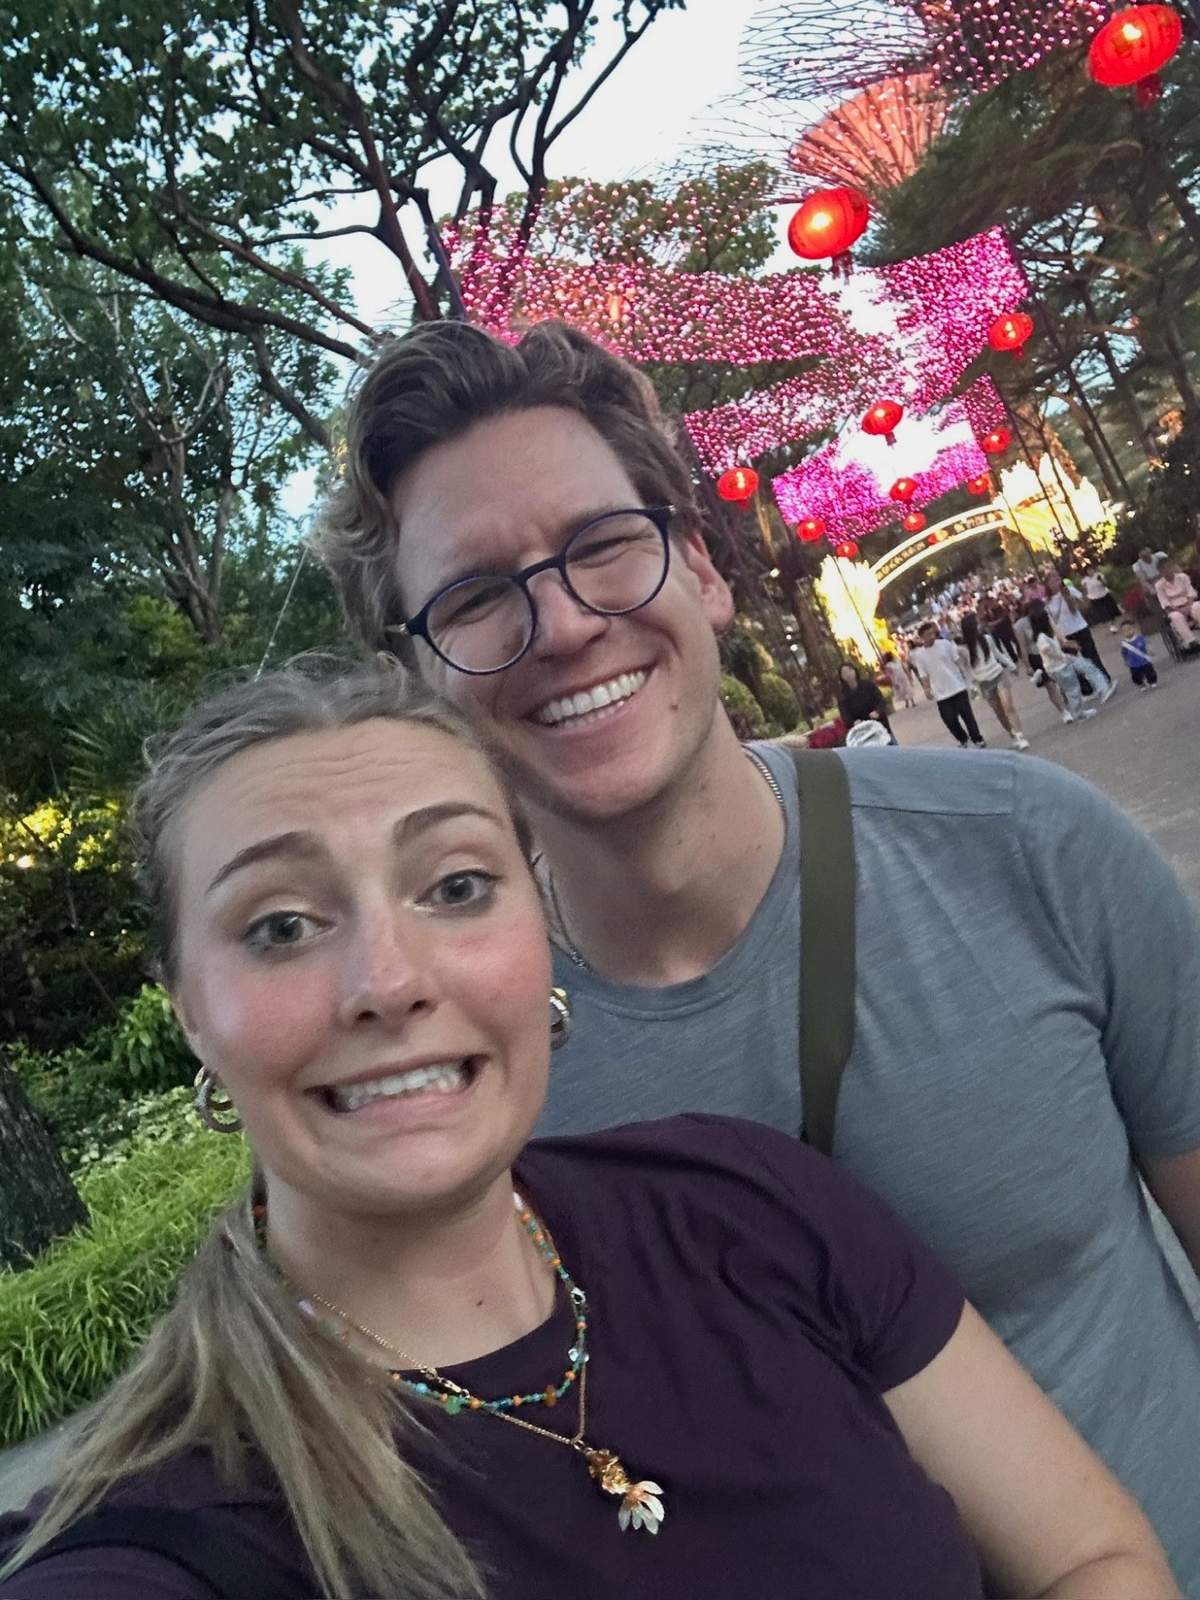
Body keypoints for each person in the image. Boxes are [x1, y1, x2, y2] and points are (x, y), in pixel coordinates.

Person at [316, 317, 1200, 1588]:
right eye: (472, 599)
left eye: (602, 548)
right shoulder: (457, 1082)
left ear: (705, 568)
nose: (561, 626)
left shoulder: (1035, 853)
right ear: (419, 682)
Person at [1, 667, 1180, 1600]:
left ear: (537, 925)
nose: (388, 978)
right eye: (281, 924)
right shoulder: (170, 1527)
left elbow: (1092, 1556)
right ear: (189, 1008)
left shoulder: (748, 1203)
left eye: (456, 885)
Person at [908, 621, 986, 748]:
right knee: (950, 720)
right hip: (941, 693)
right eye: (928, 635)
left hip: (957, 686)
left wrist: (967, 678)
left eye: (933, 633)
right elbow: (923, 674)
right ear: (922, 637)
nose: (932, 636)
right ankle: (963, 738)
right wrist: (927, 689)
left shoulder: (945, 644)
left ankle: (977, 738)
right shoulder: (920, 655)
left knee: (967, 716)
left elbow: (958, 661)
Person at [958, 611, 1029, 750]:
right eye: (977, 622)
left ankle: (1020, 736)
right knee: (999, 712)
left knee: (1008, 707)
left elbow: (997, 654)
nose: (980, 624)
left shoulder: (987, 639)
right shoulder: (963, 649)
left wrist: (1011, 665)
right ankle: (1012, 734)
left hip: (998, 674)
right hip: (983, 682)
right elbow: (965, 670)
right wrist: (971, 686)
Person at [1028, 603, 1109, 723]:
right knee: (1072, 689)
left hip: (1061, 664)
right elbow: (1046, 650)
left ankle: (1100, 687)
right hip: (1058, 667)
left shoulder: (1046, 634)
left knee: (1083, 669)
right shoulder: (1042, 637)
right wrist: (1060, 656)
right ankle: (1079, 712)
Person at [1044, 568, 1114, 687]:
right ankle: (1086, 688)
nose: (1055, 582)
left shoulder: (1069, 590)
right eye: (1052, 581)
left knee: (1091, 656)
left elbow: (1085, 604)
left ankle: (1104, 680)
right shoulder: (1048, 601)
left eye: (1057, 579)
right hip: (1065, 634)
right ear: (1047, 584)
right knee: (1075, 662)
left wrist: (1072, 600)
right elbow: (1051, 619)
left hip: (1080, 627)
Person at [836, 661, 895, 743]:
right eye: (844, 672)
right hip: (862, 731)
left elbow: (880, 700)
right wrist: (853, 722)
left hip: (880, 724)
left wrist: (877, 711)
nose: (848, 674)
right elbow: (844, 715)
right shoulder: (842, 696)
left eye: (850, 670)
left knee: (890, 743)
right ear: (841, 677)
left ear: (855, 671)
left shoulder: (868, 685)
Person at [1154, 560, 1200, 651]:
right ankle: (1192, 642)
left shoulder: (1183, 577)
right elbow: (1164, 601)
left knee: (1197, 606)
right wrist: (1178, 609)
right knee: (1176, 617)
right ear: (1160, 573)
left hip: (1188, 602)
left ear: (1172, 568)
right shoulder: (1159, 585)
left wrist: (1189, 604)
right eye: (1163, 571)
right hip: (1174, 608)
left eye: (1168, 569)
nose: (1167, 572)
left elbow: (1190, 591)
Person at [1119, 620, 1160, 690]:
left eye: (1129, 629)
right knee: (1135, 676)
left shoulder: (1140, 638)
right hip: (1133, 663)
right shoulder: (1124, 644)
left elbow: (1147, 644)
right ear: (1122, 633)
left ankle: (1152, 681)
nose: (1128, 632)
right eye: (1124, 631)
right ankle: (1141, 684)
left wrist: (1150, 650)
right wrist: (1125, 660)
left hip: (1144, 660)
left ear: (1134, 629)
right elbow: (1124, 653)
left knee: (1149, 671)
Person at [1081, 567, 1121, 633]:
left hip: (1104, 595)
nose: (1091, 571)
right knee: (1103, 613)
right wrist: (1085, 599)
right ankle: (1110, 626)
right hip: (1095, 599)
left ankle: (1113, 625)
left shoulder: (1099, 575)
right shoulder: (1085, 580)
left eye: (1091, 569)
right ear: (1086, 572)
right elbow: (1085, 591)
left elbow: (1106, 584)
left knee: (1111, 612)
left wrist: (1101, 580)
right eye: (1089, 570)